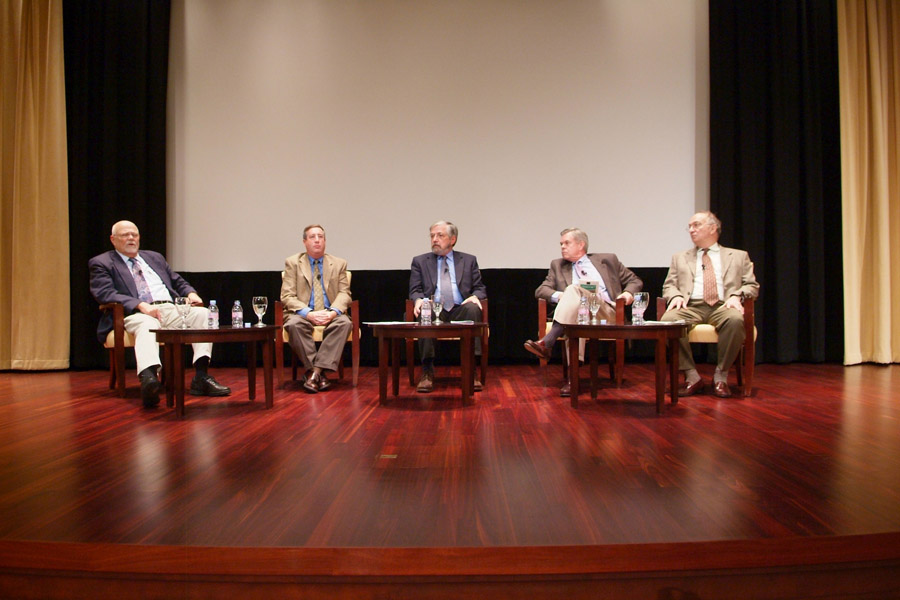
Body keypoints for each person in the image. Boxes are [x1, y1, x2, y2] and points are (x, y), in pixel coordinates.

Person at [89, 220, 231, 408]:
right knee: (148, 325)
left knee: (203, 314)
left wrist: (191, 293)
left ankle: (201, 376)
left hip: (170, 309)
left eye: (134, 234)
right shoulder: (102, 262)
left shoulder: (154, 258)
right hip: (134, 313)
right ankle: (149, 380)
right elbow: (105, 293)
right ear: (113, 239)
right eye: (125, 235)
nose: (131, 238)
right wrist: (140, 305)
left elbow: (177, 281)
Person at [524, 227, 643, 396]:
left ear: (581, 245)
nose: (562, 247)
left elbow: (635, 281)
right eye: (561, 244)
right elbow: (541, 290)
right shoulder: (558, 265)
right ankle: (573, 379)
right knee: (576, 310)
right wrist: (563, 296)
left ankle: (548, 342)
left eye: (567, 243)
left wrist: (627, 294)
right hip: (577, 314)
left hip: (606, 311)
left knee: (574, 291)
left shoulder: (608, 260)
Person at [660, 211, 759, 398]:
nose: (691, 230)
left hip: (724, 306)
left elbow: (752, 286)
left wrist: (736, 295)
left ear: (713, 228)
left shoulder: (738, 256)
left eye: (696, 225)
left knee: (736, 320)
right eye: (689, 226)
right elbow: (669, 285)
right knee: (668, 321)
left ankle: (721, 376)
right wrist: (675, 296)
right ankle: (692, 377)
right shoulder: (680, 257)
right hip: (691, 306)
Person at [409, 220, 487, 393]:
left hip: (460, 308)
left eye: (440, 235)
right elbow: (414, 290)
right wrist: (418, 300)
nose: (434, 239)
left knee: (473, 308)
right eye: (432, 236)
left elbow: (480, 288)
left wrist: (475, 297)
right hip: (435, 308)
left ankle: (471, 370)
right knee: (425, 311)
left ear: (452, 239)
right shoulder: (420, 261)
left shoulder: (468, 260)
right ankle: (427, 371)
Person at [280, 224, 352, 393]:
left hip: (330, 312)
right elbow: (287, 296)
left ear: (325, 241)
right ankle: (318, 373)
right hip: (302, 313)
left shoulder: (339, 263)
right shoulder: (293, 262)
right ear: (304, 242)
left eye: (320, 237)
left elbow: (345, 294)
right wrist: (309, 313)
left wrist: (333, 312)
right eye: (312, 237)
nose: (317, 240)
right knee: (293, 324)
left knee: (344, 323)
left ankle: (314, 373)